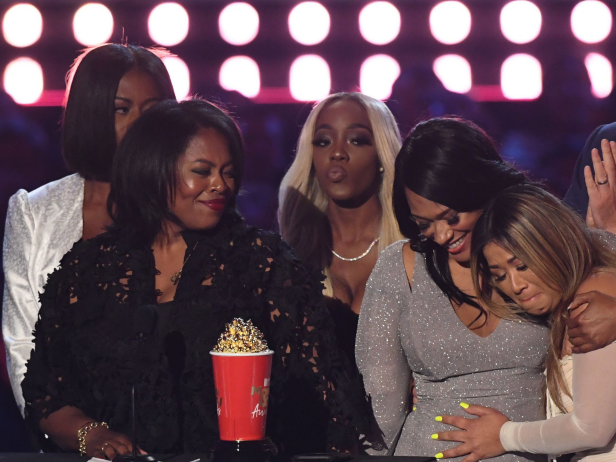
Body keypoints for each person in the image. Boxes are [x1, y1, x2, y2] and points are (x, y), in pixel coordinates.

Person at [22, 99, 380, 460]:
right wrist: (91, 434)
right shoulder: (87, 269)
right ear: (154, 171)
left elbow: (327, 400)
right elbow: (47, 397)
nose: (220, 185)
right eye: (202, 170)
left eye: (227, 172)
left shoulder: (262, 262)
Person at [356, 117, 548, 461]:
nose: (442, 236)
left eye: (451, 217)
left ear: (480, 188)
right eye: (425, 224)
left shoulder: (540, 245)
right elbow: (381, 399)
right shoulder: (400, 267)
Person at [2, 43, 176, 415]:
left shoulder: (189, 204)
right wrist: (78, 433)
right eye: (121, 109)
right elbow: (21, 346)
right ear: (91, 113)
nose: (138, 124)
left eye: (153, 110)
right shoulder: (33, 211)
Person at [433, 184, 616, 462]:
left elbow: (592, 429)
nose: (515, 286)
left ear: (554, 243)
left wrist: (504, 436)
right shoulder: (566, 309)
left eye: (521, 265)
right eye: (500, 275)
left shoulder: (593, 300)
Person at [278, 92, 403, 359]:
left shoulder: (411, 251)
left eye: (356, 140)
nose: (337, 153)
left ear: (381, 156)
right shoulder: (292, 257)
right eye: (323, 141)